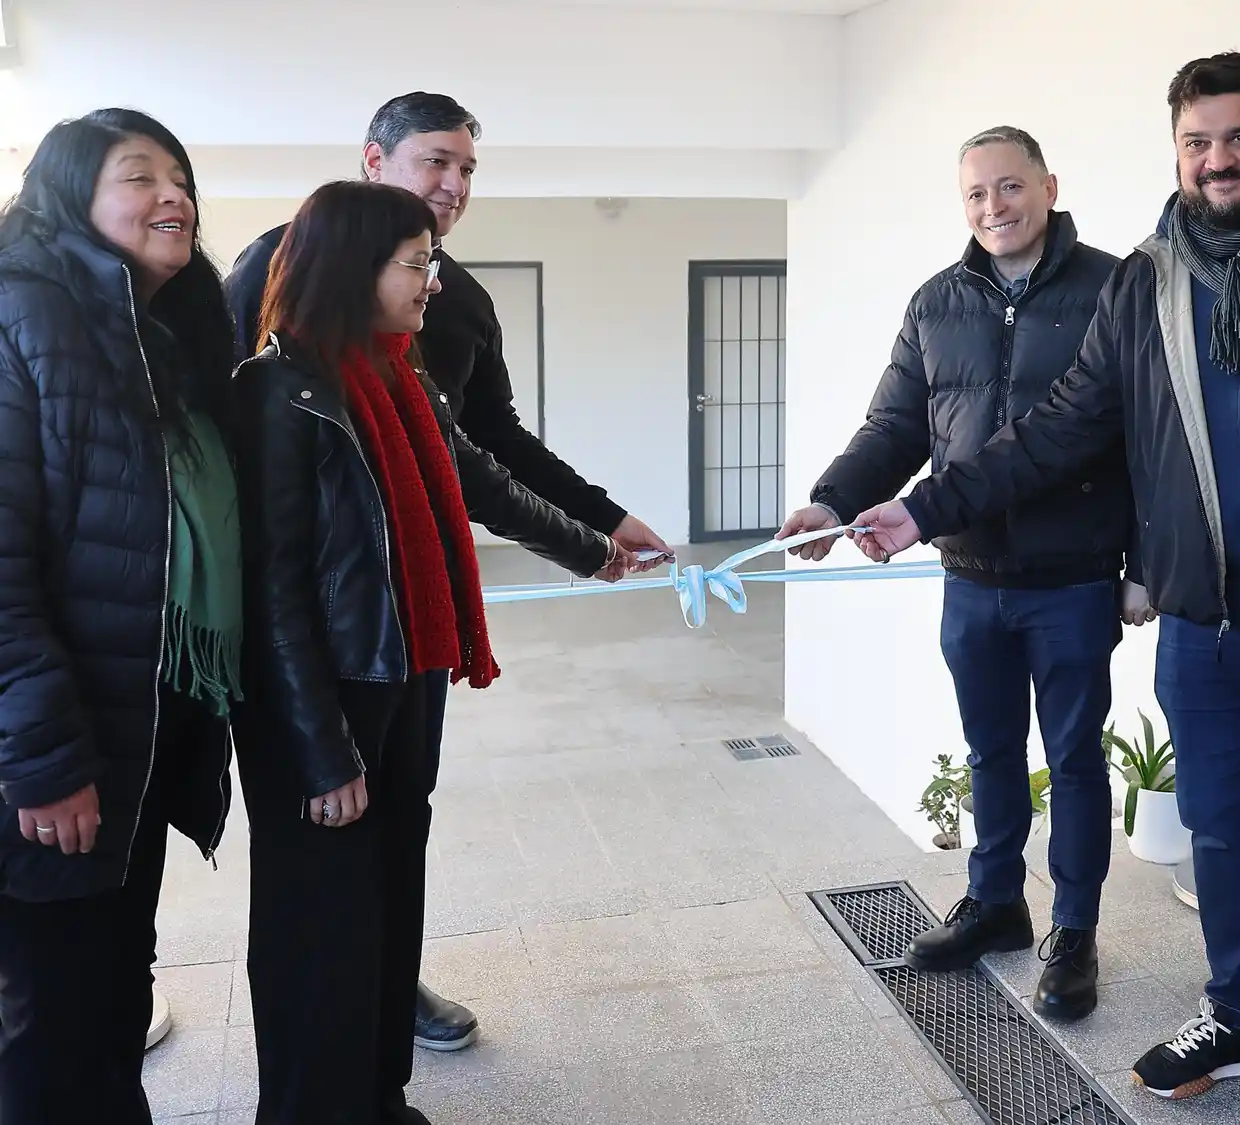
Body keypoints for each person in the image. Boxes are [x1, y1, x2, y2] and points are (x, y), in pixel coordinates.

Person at [850, 52, 1240, 1125]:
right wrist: (923, 508)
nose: (1218, 161)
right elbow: (1061, 427)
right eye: (1197, 144)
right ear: (1177, 154)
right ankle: (1239, 1020)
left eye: (1238, 137)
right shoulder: (1150, 276)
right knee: (1224, 834)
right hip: (1205, 620)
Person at [225, 90, 669, 1052]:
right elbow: (266, 536)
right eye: (436, 162)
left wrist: (600, 532)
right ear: (375, 165)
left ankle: (387, 1019)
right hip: (326, 644)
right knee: (322, 878)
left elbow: (487, 453)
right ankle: (331, 1061)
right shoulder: (281, 297)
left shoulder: (436, 328)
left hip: (410, 632)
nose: (454, 186)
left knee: (393, 837)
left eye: (468, 167)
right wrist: (303, 723)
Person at [778, 126, 1141, 1021]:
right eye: (976, 195)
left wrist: (1143, 564)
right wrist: (833, 500)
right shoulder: (937, 302)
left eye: (1010, 188)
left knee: (1073, 757)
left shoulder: (1111, 290)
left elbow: (1139, 439)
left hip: (1073, 575)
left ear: (1050, 186)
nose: (994, 209)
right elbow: (895, 426)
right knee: (989, 752)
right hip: (972, 572)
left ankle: (1076, 930)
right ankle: (996, 904)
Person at [0, 109, 241, 1123]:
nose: (172, 193)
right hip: (57, 745)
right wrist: (47, 757)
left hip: (136, 732)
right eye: (139, 175)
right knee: (56, 1019)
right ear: (67, 197)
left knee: (111, 987)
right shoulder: (23, 315)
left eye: (180, 175)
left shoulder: (166, 342)